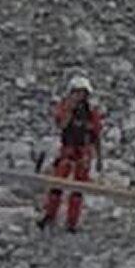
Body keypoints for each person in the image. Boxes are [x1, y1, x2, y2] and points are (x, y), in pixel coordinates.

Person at [40, 76, 105, 232]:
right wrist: (70, 109)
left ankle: (72, 223)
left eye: (82, 93)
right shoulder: (65, 108)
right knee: (57, 184)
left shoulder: (91, 113)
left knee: (78, 190)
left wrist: (99, 158)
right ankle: (50, 215)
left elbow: (96, 135)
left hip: (83, 153)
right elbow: (61, 124)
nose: (79, 96)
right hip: (67, 150)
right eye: (76, 93)